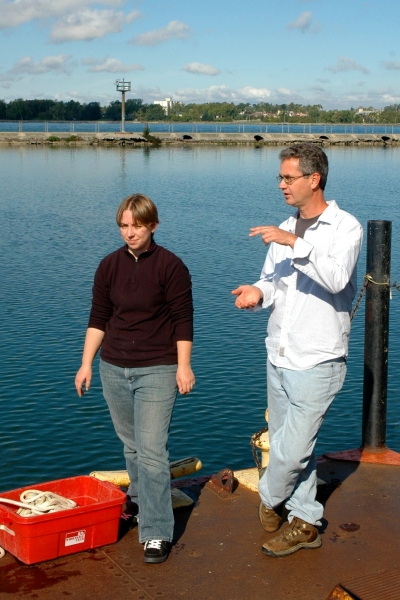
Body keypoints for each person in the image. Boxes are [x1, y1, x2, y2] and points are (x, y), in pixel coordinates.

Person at [232, 143, 363, 558]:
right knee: (296, 448)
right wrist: (258, 291)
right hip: (279, 354)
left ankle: (270, 498)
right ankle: (304, 520)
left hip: (317, 358)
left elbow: (337, 278)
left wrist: (294, 241)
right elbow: (273, 282)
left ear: (314, 179)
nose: (282, 185)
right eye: (281, 177)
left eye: (288, 178)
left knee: (291, 448)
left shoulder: (345, 227)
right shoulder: (285, 227)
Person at [75, 193, 195, 564]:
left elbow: (183, 320)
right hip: (113, 368)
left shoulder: (171, 267)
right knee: (131, 446)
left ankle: (157, 531)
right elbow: (99, 318)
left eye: (137, 226)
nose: (130, 233)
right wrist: (85, 364)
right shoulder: (109, 266)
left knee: (153, 452)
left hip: (157, 368)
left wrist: (183, 365)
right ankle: (143, 505)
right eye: (124, 226)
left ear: (152, 226)